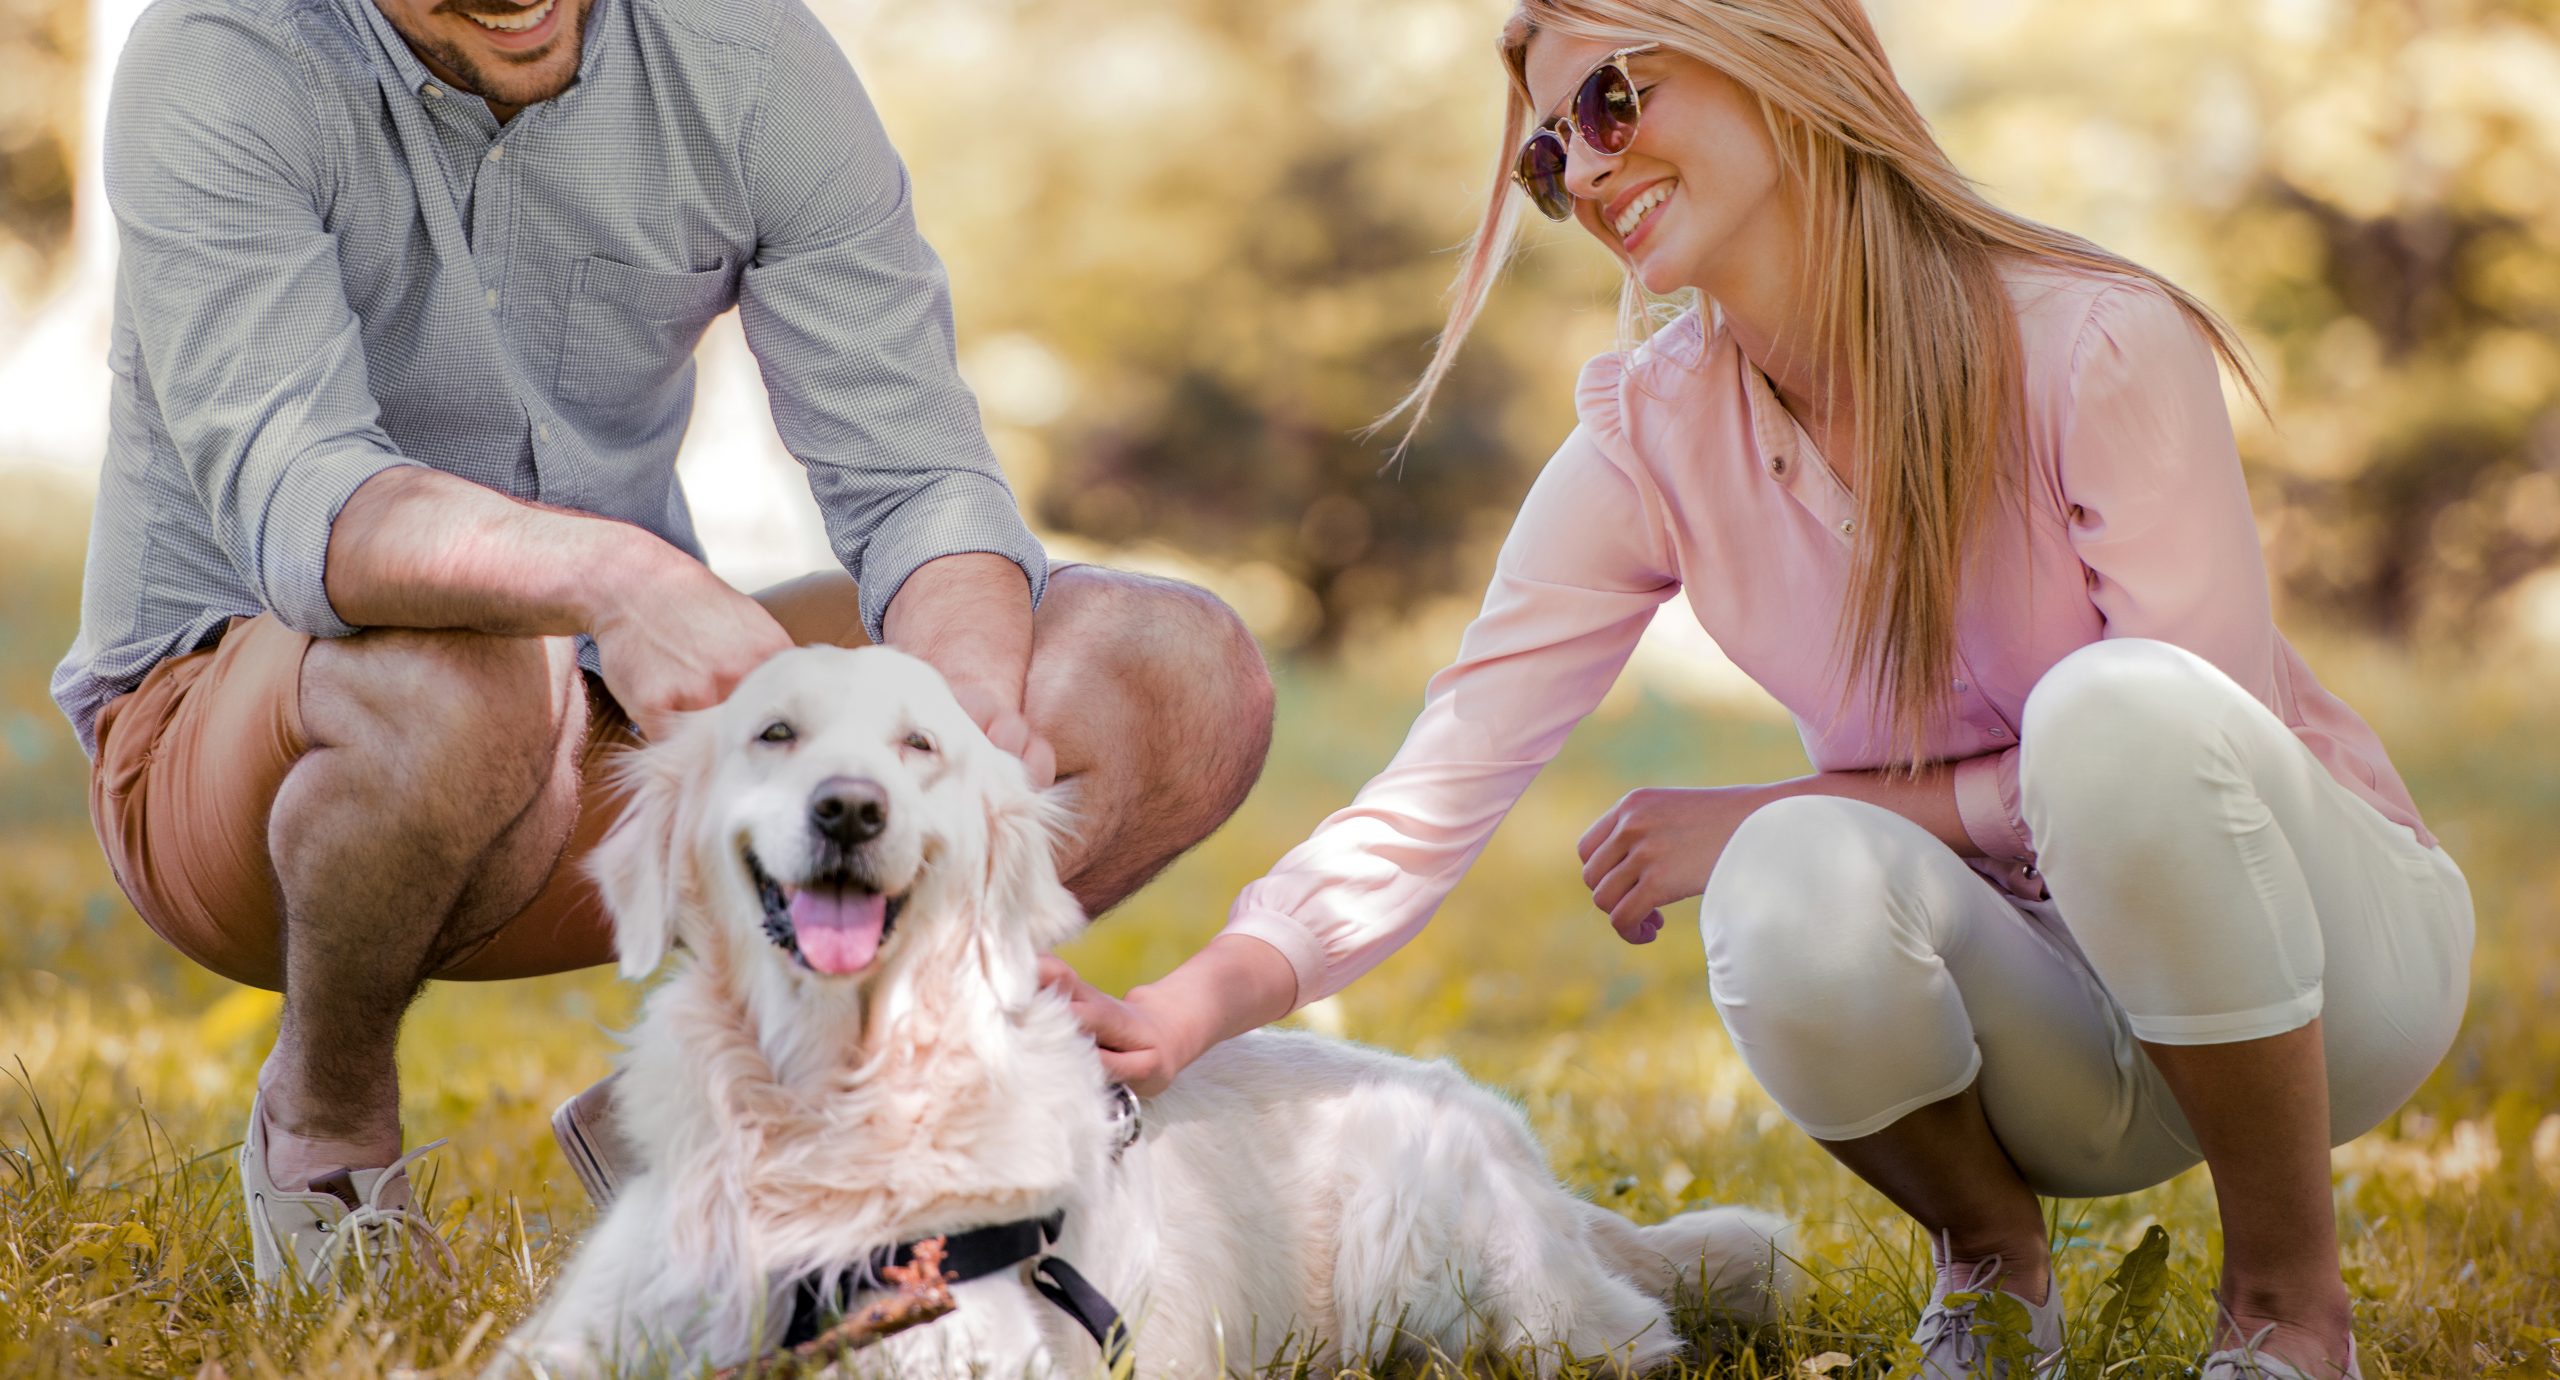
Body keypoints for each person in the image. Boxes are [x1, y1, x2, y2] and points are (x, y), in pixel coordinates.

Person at [1040, 3, 2472, 1377]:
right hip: (2050, 1025)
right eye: (1549, 156)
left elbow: (2185, 755)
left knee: (2107, 719)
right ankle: (1990, 1262)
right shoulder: (1646, 443)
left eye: (1612, 100)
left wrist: (1791, 799)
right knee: (1791, 879)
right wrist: (1187, 1007)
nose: (1588, 171)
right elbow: (1438, 782)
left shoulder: (2093, 340)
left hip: (2321, 978)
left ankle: (2288, 1307)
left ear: (1774, 51)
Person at [58, 0, 1272, 1297]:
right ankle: (326, 1133)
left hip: (604, 739)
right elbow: (301, 491)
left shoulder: (746, 57)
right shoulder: (226, 56)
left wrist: (958, 711)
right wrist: (617, 577)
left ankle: (704, 1113)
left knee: (1172, 667)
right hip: (259, 767)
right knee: (474, 670)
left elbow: (919, 478)